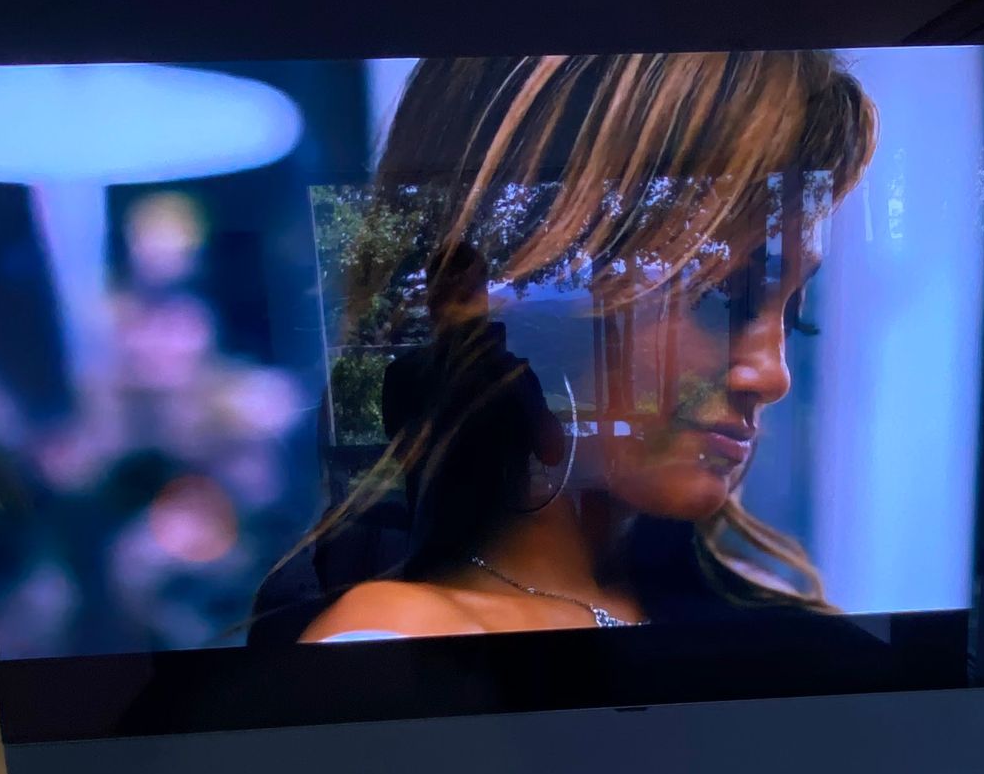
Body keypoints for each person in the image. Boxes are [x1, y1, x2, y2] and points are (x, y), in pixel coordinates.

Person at [251, 49, 877, 645]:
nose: (772, 375)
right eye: (720, 297)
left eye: (794, 315)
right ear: (494, 293)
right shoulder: (397, 641)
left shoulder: (768, 620)